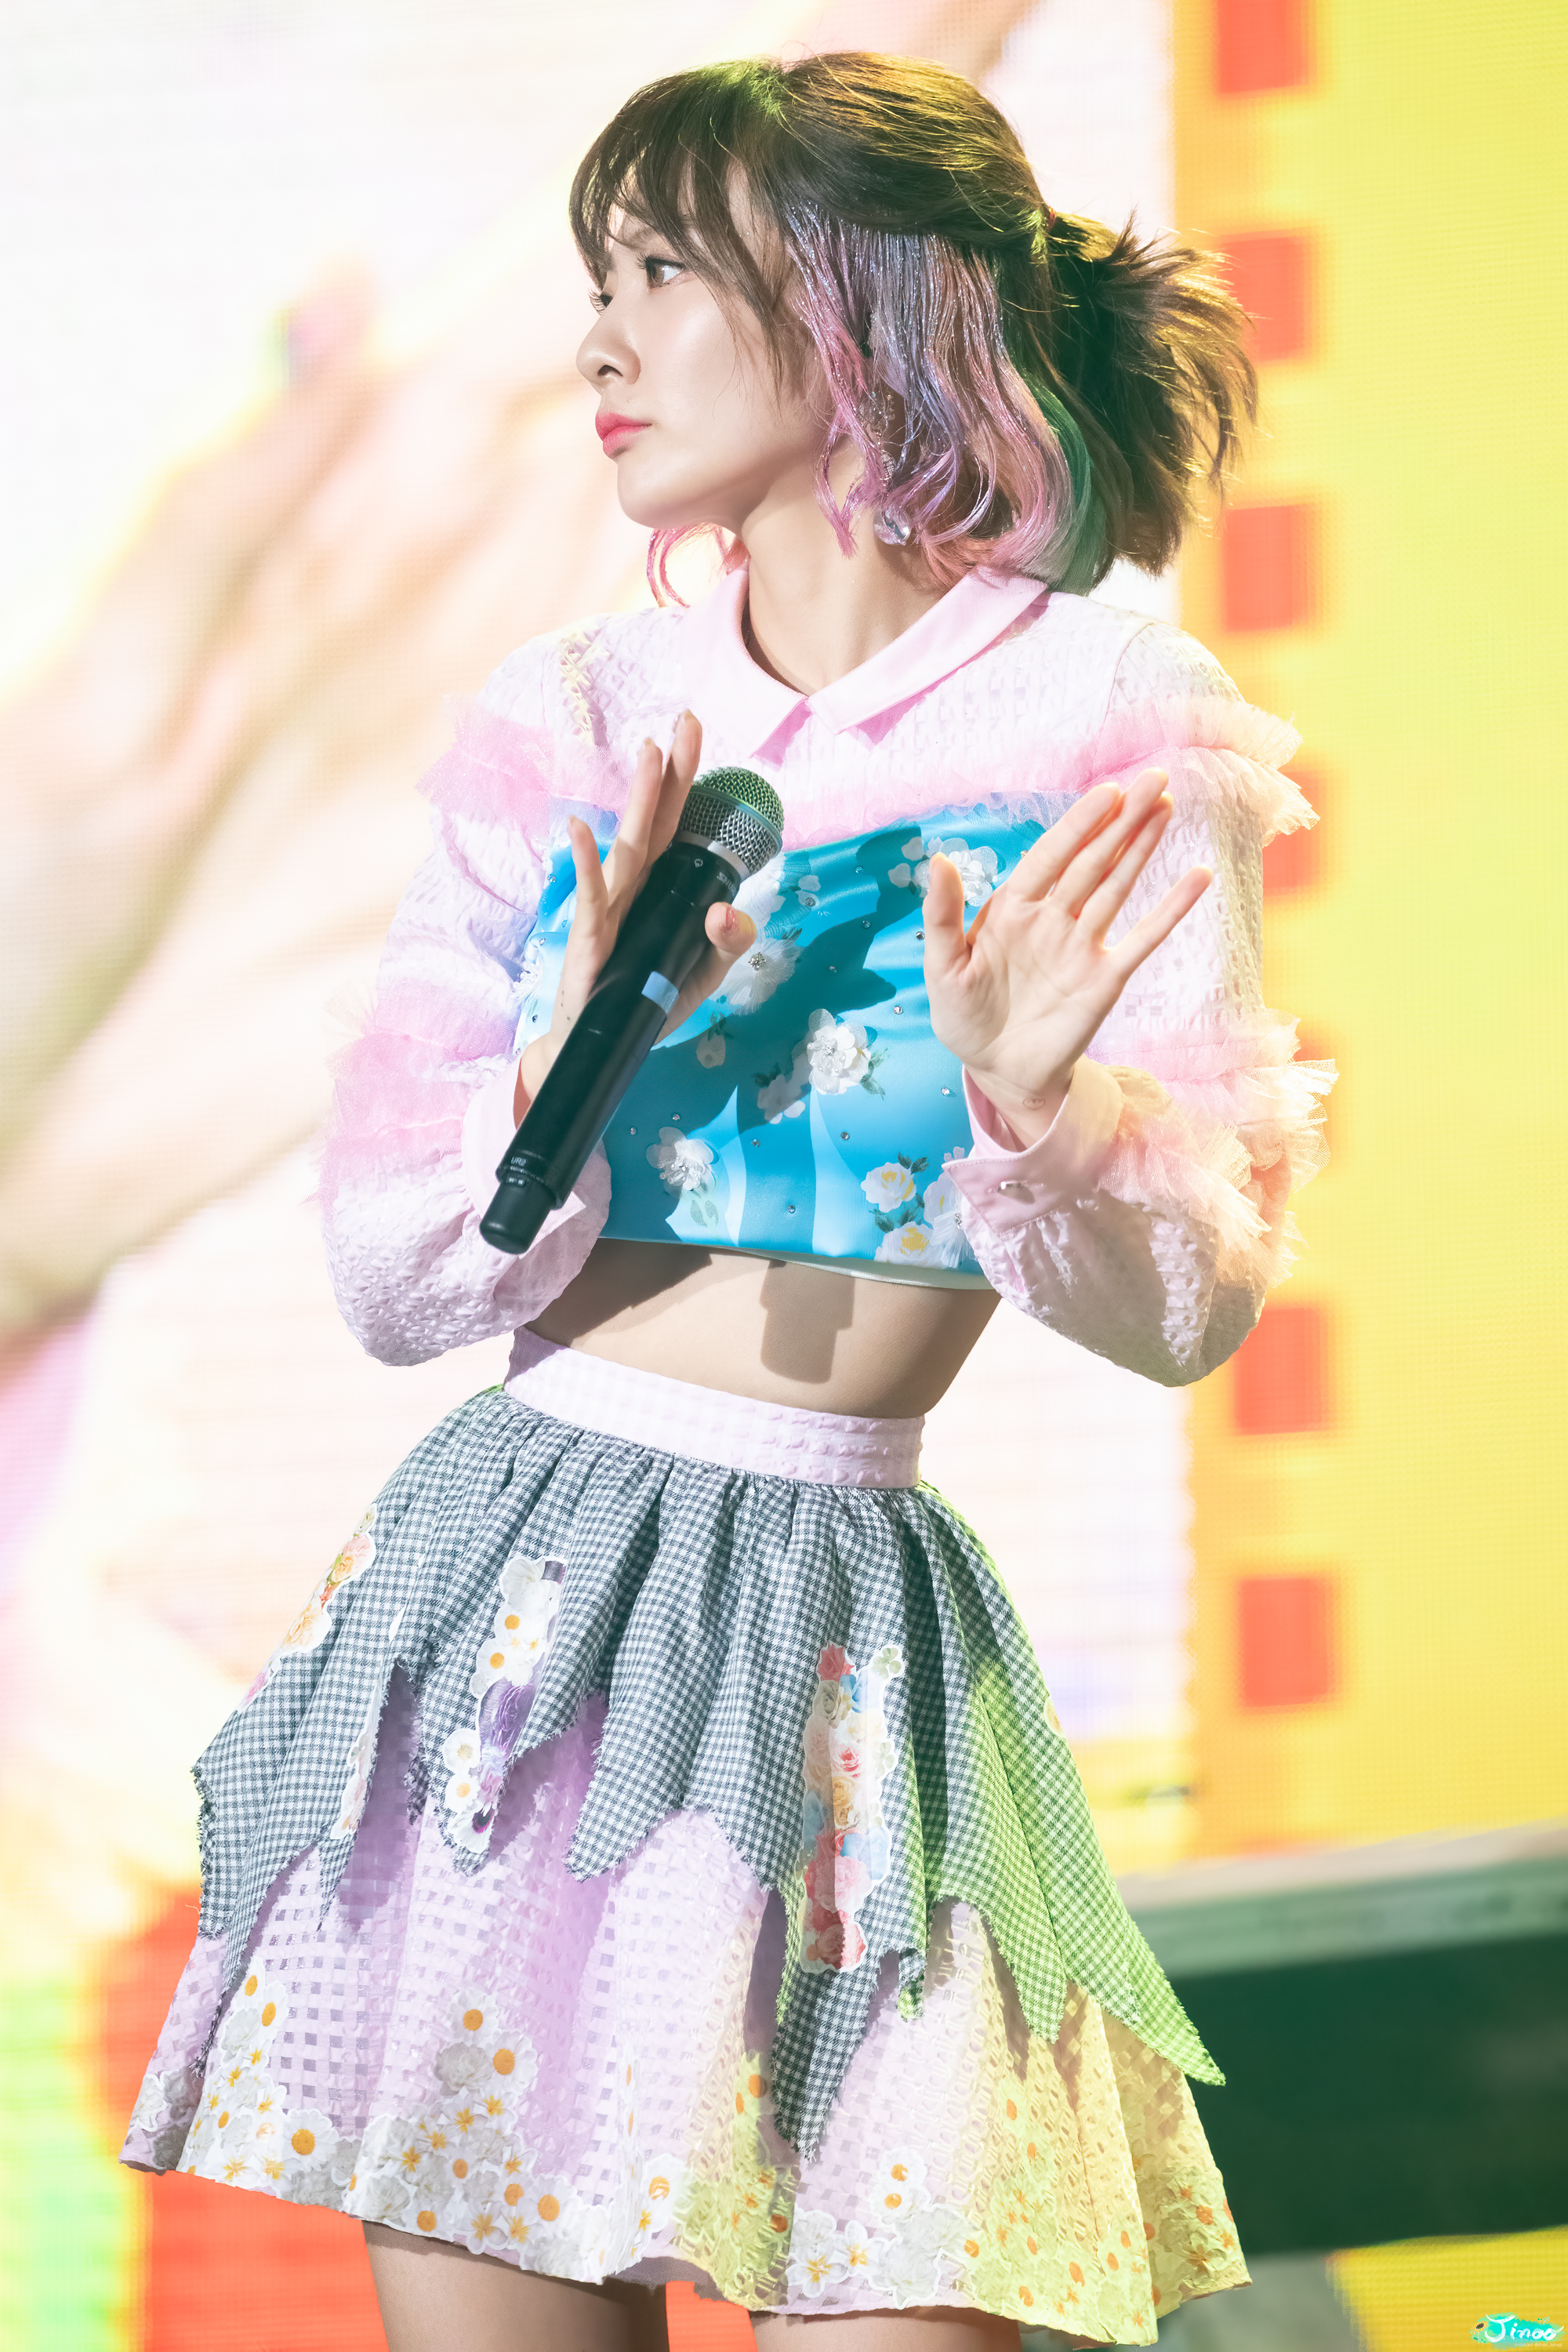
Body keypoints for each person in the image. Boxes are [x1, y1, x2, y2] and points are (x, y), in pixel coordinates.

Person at [122, 51, 1334, 2352]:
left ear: (867, 301)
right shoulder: (574, 713)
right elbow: (392, 1283)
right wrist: (561, 1062)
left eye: (665, 272)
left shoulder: (1106, 713)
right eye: (600, 276)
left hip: (855, 1632)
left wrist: (1047, 1106)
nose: (603, 336)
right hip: (527, 1602)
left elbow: (1189, 1305)